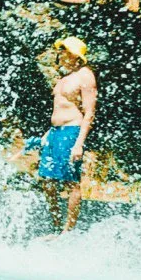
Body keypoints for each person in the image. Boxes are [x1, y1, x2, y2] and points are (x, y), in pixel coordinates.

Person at [38, 36, 97, 233]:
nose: (60, 54)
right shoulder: (65, 77)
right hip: (55, 133)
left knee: (71, 181)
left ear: (74, 55)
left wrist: (79, 143)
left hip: (72, 132)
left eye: (64, 51)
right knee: (47, 181)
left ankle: (67, 231)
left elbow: (89, 112)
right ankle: (55, 227)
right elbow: (60, 107)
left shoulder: (85, 75)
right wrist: (48, 133)